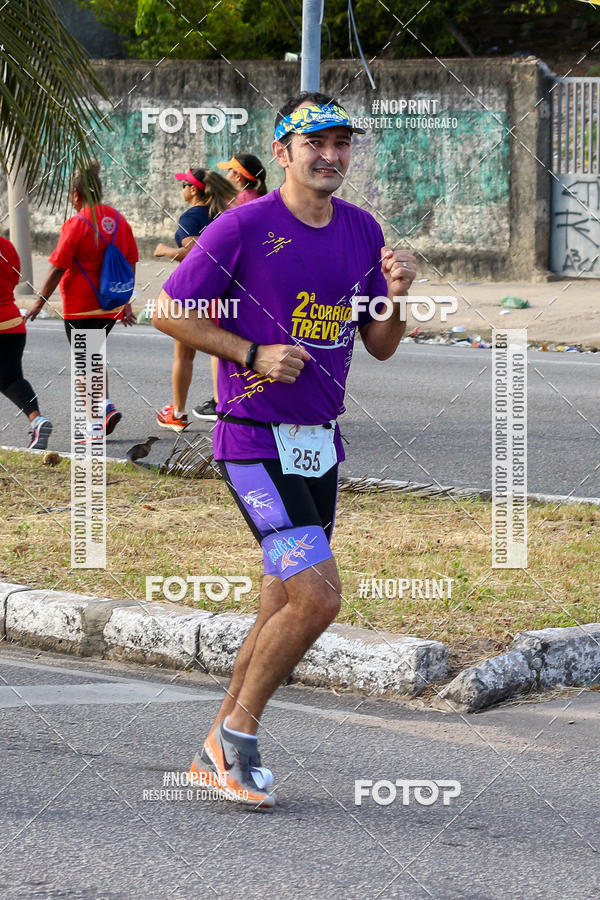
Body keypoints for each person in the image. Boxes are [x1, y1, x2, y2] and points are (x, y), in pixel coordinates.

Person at [153, 92, 417, 808]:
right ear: (283, 152)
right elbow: (166, 308)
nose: (330, 156)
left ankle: (218, 744)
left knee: (281, 601)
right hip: (250, 442)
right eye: (315, 144)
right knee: (318, 596)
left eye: (341, 145)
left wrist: (395, 291)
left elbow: (380, 345)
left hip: (317, 445)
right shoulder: (242, 227)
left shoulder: (362, 231)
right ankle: (234, 738)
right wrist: (252, 352)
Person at [26, 162, 138, 441]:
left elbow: (57, 267)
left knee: (83, 364)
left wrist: (40, 302)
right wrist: (126, 301)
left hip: (80, 305)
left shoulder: (77, 223)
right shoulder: (118, 219)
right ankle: (105, 407)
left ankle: (95, 422)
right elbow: (131, 259)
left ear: (76, 194)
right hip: (110, 303)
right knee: (94, 357)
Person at [154, 168, 238, 432]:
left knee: (184, 355)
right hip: (222, 291)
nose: (182, 190)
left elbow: (195, 252)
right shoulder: (220, 213)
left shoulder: (191, 216)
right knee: (223, 351)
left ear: (193, 190)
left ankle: (177, 413)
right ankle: (227, 408)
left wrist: (166, 251)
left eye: (184, 186)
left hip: (192, 292)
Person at [192, 155, 268, 422]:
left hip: (236, 284)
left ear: (238, 177)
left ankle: (220, 400)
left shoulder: (239, 205)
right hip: (257, 286)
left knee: (221, 342)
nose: (226, 177)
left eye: (229, 172)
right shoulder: (260, 200)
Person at [0, 236, 53, 449]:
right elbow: (15, 278)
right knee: (12, 380)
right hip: (12, 323)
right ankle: (37, 421)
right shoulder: (6, 245)